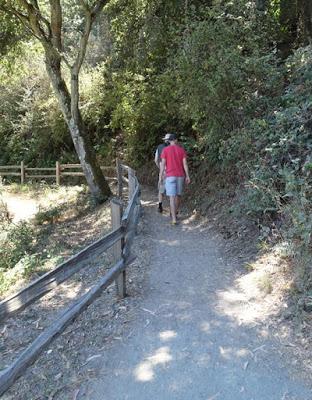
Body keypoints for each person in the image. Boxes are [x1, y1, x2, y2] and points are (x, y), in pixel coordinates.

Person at [159, 133, 190, 225]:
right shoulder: (181, 150)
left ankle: (173, 219)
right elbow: (185, 164)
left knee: (171, 198)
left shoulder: (165, 150)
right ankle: (175, 213)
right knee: (178, 195)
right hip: (180, 175)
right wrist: (187, 175)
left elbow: (163, 165)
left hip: (170, 176)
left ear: (169, 141)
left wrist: (161, 176)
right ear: (176, 140)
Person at [154, 133, 170, 213]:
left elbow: (156, 160)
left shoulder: (159, 147)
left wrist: (160, 168)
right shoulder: (173, 148)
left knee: (161, 190)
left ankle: (160, 205)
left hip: (162, 172)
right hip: (171, 172)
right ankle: (172, 208)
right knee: (171, 191)